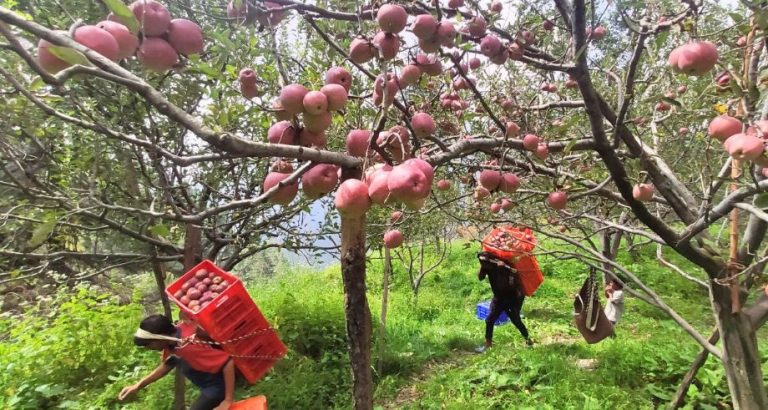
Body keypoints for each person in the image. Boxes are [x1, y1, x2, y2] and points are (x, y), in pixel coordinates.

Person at [118, 314, 235, 410]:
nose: (148, 348)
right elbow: (167, 365)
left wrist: (227, 400)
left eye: (148, 344)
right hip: (207, 385)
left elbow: (227, 361)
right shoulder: (172, 342)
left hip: (217, 387)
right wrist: (138, 386)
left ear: (161, 337)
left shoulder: (188, 346)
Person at [475, 252, 532, 353]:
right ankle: (488, 345)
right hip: (498, 298)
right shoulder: (487, 266)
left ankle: (528, 340)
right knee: (489, 320)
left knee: (516, 320)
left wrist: (503, 268)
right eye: (481, 261)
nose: (483, 263)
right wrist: (482, 267)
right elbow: (480, 277)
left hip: (511, 298)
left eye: (484, 261)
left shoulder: (506, 264)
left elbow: (514, 279)